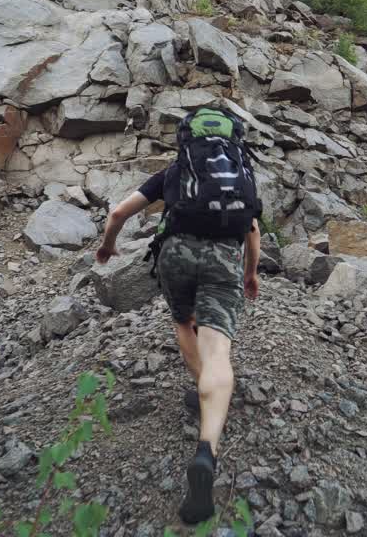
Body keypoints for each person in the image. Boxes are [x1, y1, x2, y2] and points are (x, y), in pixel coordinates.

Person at [95, 107, 261, 525]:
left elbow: (118, 213)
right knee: (219, 348)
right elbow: (252, 230)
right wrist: (250, 273)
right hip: (224, 256)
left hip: (176, 254)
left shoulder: (175, 172)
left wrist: (107, 246)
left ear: (186, 140)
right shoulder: (240, 172)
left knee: (184, 322)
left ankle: (202, 388)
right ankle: (207, 449)